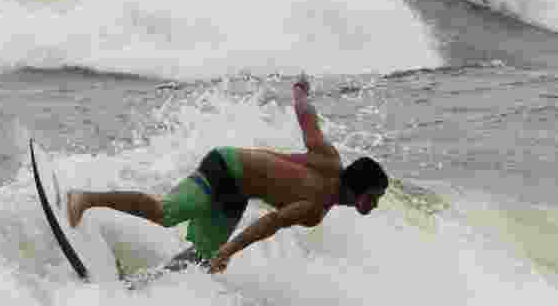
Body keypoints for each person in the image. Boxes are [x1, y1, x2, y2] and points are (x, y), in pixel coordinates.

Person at [67, 74, 389, 274]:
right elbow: (270, 222)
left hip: (237, 195)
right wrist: (230, 250)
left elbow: (307, 117)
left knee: (202, 260)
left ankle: (143, 287)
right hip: (226, 167)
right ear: (362, 189)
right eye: (375, 197)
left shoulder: (328, 168)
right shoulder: (322, 186)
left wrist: (300, 92)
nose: (375, 205)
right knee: (167, 213)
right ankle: (85, 198)